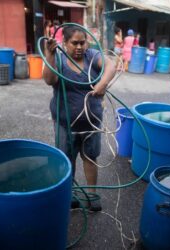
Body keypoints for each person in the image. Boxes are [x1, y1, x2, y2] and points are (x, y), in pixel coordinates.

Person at [43, 26, 116, 211]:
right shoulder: (58, 58)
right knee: (68, 159)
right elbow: (49, 80)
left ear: (87, 42)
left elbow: (111, 65)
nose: (79, 47)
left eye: (82, 42)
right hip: (64, 122)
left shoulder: (92, 56)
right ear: (65, 43)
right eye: (74, 43)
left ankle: (92, 194)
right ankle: (71, 192)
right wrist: (49, 54)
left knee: (90, 157)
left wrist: (102, 83)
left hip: (91, 121)